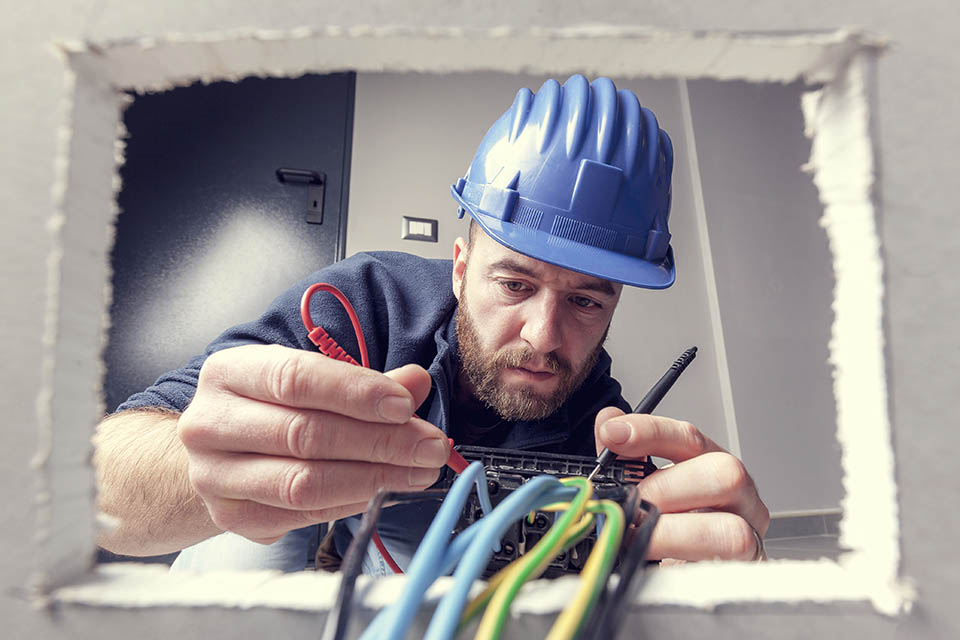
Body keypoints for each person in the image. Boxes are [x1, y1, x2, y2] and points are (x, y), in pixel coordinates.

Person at [93, 74, 769, 574]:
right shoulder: (357, 306)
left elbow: (645, 558)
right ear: (458, 266)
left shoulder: (598, 418)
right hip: (298, 544)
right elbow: (106, 492)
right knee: (229, 562)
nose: (543, 335)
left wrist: (703, 581)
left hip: (439, 566)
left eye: (587, 302)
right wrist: (214, 468)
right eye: (514, 283)